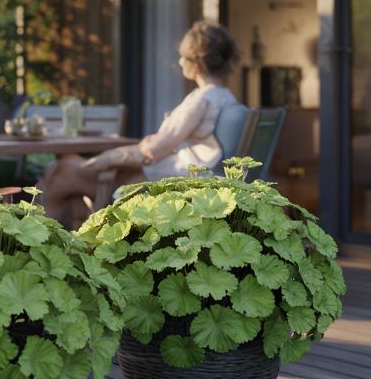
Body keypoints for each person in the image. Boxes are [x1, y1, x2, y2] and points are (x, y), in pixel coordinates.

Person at [38, 20, 241, 226]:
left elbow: (156, 149)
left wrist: (110, 158)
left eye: (182, 57)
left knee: (62, 172)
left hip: (179, 177)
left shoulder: (201, 100)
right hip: (190, 173)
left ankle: (44, 243)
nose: (179, 62)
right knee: (67, 178)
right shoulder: (226, 98)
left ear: (195, 62)